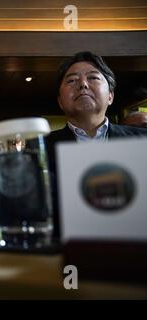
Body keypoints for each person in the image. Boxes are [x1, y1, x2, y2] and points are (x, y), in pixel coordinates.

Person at [45, 51, 147, 238]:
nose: (83, 84)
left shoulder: (142, 142)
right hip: (63, 252)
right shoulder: (38, 149)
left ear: (110, 96)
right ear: (60, 101)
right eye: (71, 81)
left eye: (93, 78)